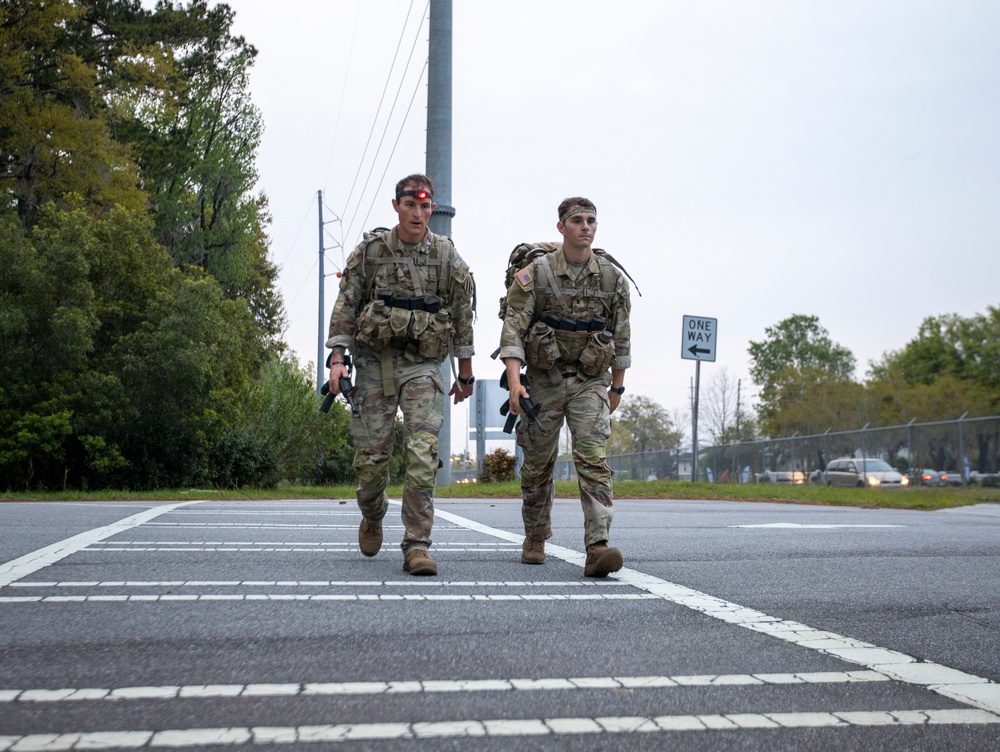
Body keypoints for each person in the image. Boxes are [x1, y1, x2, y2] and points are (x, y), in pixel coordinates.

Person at [326, 174, 475, 576]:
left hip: (424, 365)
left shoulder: (446, 257)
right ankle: (372, 515)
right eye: (411, 204)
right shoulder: (372, 252)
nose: (419, 212)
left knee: (423, 452)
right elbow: (346, 305)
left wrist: (465, 375)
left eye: (426, 206)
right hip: (374, 364)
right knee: (371, 463)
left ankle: (417, 545)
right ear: (397, 206)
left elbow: (462, 315)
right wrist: (337, 360)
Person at [498, 197, 631, 577]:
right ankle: (535, 536)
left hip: (591, 381)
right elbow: (513, 332)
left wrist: (616, 389)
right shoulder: (536, 274)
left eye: (591, 220)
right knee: (538, 462)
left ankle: (598, 546)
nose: (585, 227)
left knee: (592, 458)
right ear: (561, 227)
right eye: (577, 220)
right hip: (544, 379)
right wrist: (514, 385)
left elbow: (621, 337)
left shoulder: (610, 277)